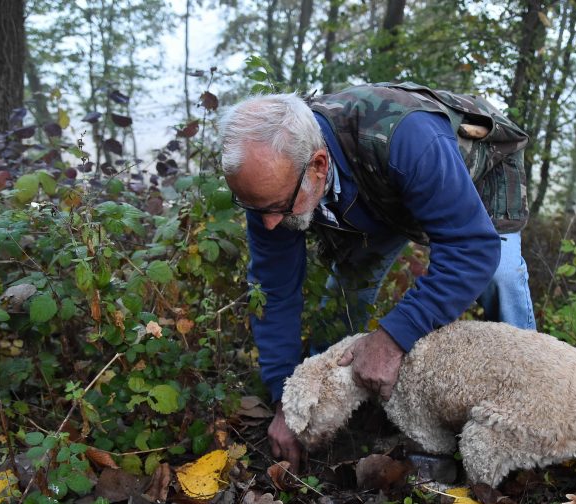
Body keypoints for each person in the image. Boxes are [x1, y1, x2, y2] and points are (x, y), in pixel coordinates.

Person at [218, 83, 536, 471]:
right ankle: (334, 407)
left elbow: (472, 250)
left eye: (276, 207)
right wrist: (289, 399)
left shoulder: (409, 140)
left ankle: (532, 404)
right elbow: (274, 291)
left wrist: (393, 337)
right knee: (347, 295)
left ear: (318, 166)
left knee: (500, 277)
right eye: (254, 208)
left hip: (475, 172)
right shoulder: (271, 184)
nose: (268, 225)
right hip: (378, 196)